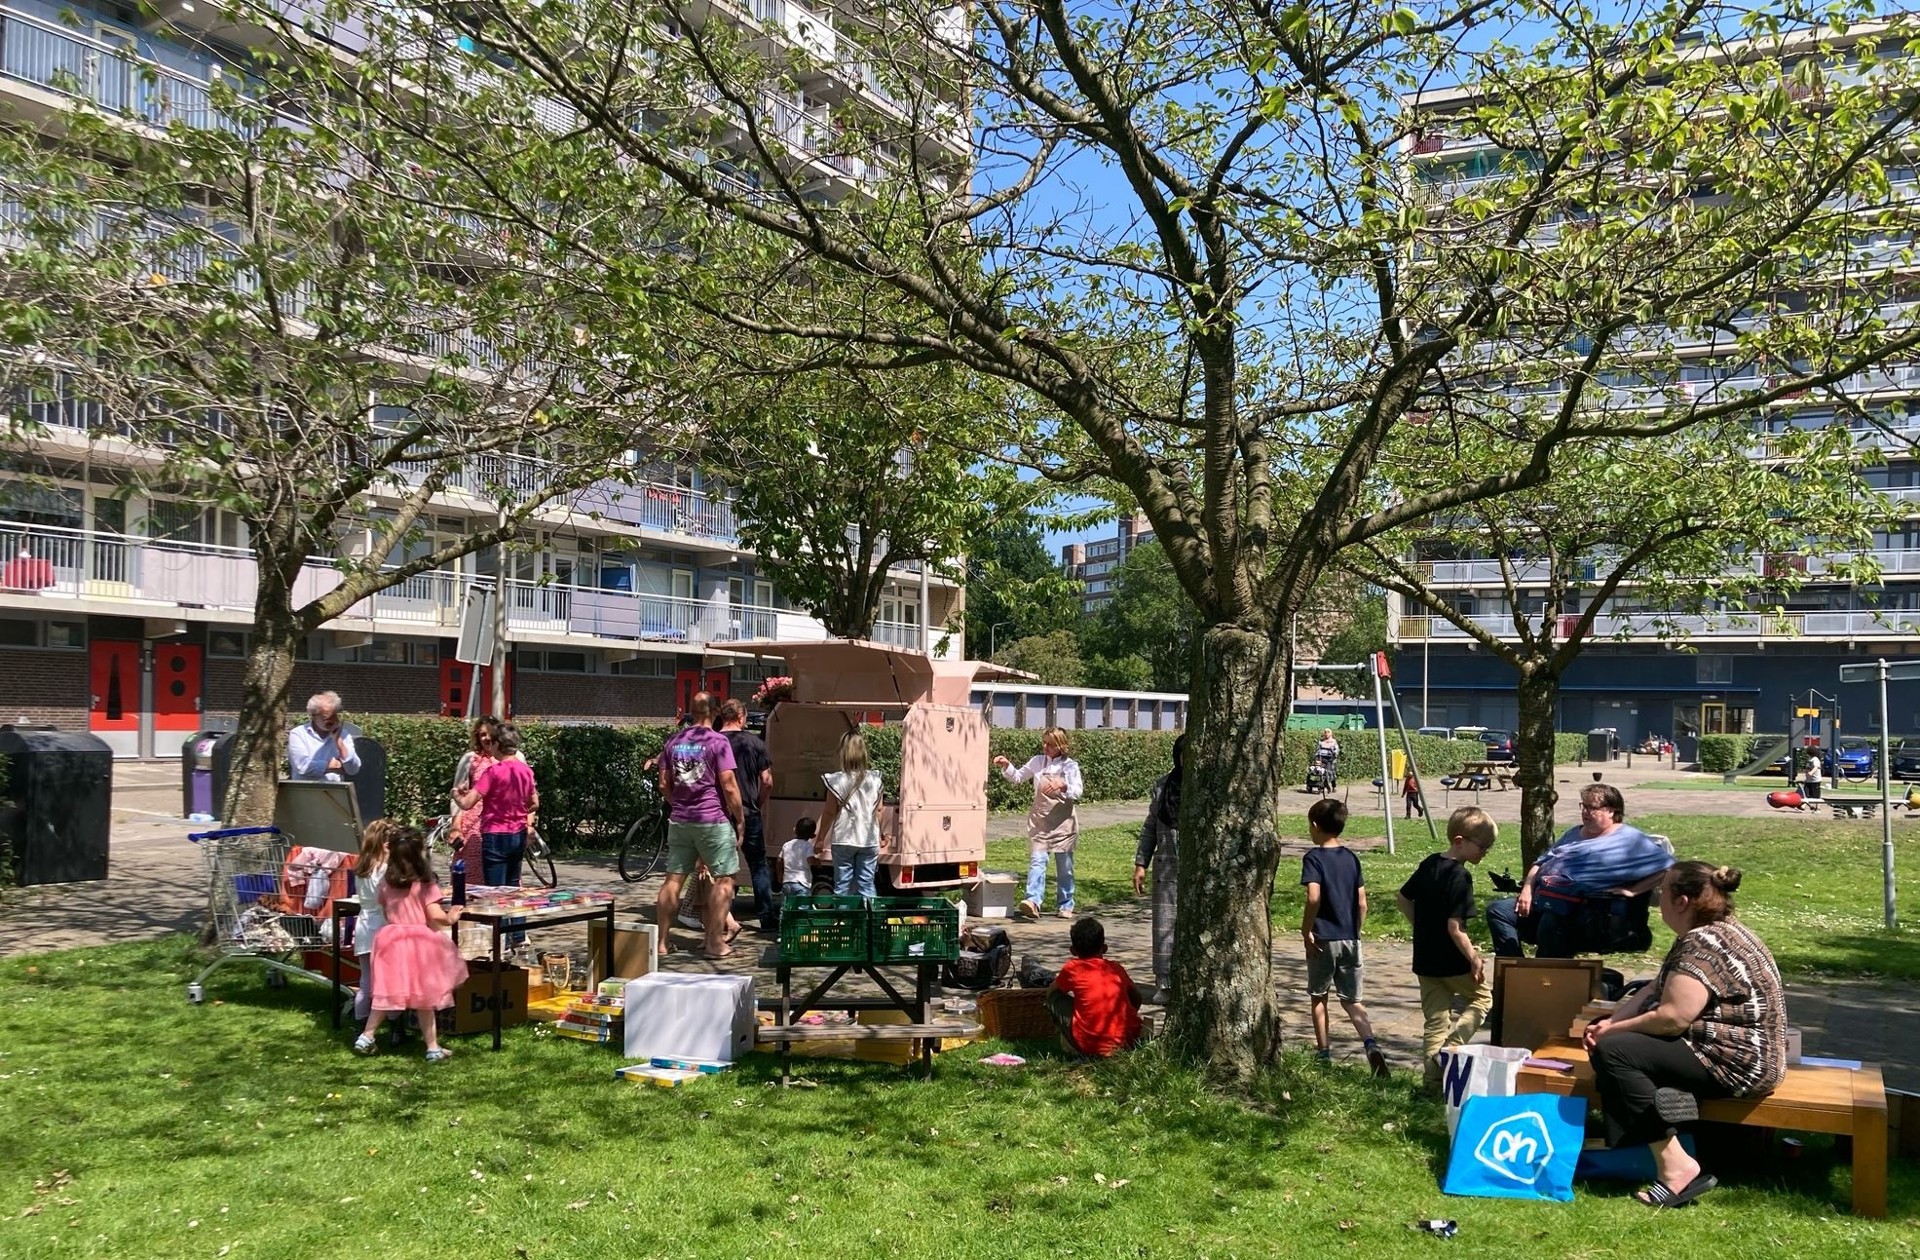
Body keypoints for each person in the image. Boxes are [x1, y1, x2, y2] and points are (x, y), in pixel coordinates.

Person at [1585, 862, 1786, 1209]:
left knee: (1615, 1052)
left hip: (1739, 1063)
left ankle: (1676, 1166)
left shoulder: (1701, 944)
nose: (1657, 897)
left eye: (1663, 890)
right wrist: (1611, 1020)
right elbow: (1654, 988)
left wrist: (1611, 1033)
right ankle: (1664, 1123)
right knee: (1616, 1043)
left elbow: (1673, 1018)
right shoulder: (1715, 931)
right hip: (1737, 1052)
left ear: (1682, 901)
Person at [1486, 783, 1669, 958]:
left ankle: (1547, 978)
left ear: (1612, 811)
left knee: (1551, 921)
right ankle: (1516, 968)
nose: (1585, 812)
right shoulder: (1574, 833)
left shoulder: (1629, 839)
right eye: (1583, 806)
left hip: (1589, 912)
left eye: (1592, 808)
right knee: (1499, 910)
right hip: (1546, 899)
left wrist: (1633, 891)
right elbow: (1540, 863)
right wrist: (1527, 889)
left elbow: (1670, 868)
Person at [1397, 806, 1497, 1090]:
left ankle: (1431, 1086)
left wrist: (1421, 927)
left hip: (1426, 959)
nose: (1484, 852)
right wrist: (1474, 958)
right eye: (1482, 847)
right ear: (1459, 841)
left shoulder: (1430, 863)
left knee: (1435, 1021)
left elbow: (1403, 899)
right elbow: (1456, 928)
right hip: (1452, 961)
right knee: (1482, 999)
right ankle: (1451, 1049)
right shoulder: (1460, 876)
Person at [354, 825, 468, 1062]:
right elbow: (435, 914)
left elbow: (385, 909)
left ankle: (367, 1035)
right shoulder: (425, 883)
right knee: (425, 999)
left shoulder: (386, 882)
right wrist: (451, 916)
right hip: (419, 943)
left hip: (390, 939)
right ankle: (432, 1048)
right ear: (420, 853)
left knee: (385, 995)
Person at [1300, 798, 1387, 1076]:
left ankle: (1324, 1053)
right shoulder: (1351, 857)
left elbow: (1314, 897)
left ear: (1315, 826)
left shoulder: (1313, 858)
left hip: (1323, 939)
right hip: (1351, 938)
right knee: (1352, 1000)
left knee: (1319, 997)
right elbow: (1362, 903)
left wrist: (1306, 931)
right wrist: (1355, 931)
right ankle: (1370, 1044)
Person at [656, 691, 746, 958]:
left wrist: (678, 804)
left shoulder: (673, 741)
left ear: (690, 711)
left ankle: (661, 943)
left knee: (673, 880)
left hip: (681, 821)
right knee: (725, 880)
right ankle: (715, 944)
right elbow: (729, 785)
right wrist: (740, 819)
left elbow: (663, 783)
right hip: (712, 820)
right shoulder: (718, 742)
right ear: (714, 711)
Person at [996, 727, 1084, 920]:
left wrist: (1064, 785)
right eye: (1044, 742)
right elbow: (1018, 777)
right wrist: (1007, 765)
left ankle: (1066, 904)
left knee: (1065, 867)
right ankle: (1033, 901)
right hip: (1040, 821)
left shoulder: (1070, 766)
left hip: (1064, 824)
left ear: (1061, 746)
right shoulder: (1037, 761)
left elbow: (1078, 791)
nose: (1046, 747)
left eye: (1050, 744)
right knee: (1038, 860)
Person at [1046, 917, 1147, 1058]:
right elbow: (1137, 998)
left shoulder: (1072, 968)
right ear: (1104, 948)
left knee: (1056, 998)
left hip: (1089, 1046)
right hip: (1127, 1042)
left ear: (1073, 951)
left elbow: (1051, 991)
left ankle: (1069, 1047)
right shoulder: (1116, 968)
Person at [453, 722, 537, 889]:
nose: (489, 747)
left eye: (492, 743)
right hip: (518, 834)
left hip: (495, 835)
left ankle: (498, 917)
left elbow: (467, 803)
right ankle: (517, 916)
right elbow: (534, 803)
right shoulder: (526, 770)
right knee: (513, 888)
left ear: (498, 744)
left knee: (495, 892)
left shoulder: (492, 772)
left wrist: (456, 794)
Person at [1133, 734, 1184, 1000]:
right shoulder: (1163, 786)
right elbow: (1150, 827)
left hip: (1195, 870)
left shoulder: (1206, 787)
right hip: (1166, 867)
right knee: (1164, 924)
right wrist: (1141, 862)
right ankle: (1164, 982)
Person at [718, 698, 776, 931]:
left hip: (718, 814)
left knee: (719, 867)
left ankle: (721, 918)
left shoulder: (714, 742)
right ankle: (767, 918)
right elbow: (767, 781)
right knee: (758, 866)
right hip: (749, 811)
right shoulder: (755, 743)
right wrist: (758, 803)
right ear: (742, 717)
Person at [818, 729, 883, 898]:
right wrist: (881, 835)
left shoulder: (836, 780)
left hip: (844, 838)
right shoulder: (875, 780)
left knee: (843, 885)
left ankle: (845, 920)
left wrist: (819, 839)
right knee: (866, 884)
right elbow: (879, 810)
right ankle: (868, 921)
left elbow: (829, 812)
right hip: (869, 839)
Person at [350, 818, 397, 1023]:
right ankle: (396, 1026)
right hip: (383, 926)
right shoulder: (386, 870)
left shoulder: (363, 866)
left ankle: (360, 1022)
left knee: (366, 980)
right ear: (386, 845)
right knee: (391, 980)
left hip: (364, 924)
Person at [448, 717, 502, 877]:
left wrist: (529, 825)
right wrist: (456, 826)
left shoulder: (513, 757)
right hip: (474, 824)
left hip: (502, 824)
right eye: (482, 734)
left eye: (490, 733)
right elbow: (457, 794)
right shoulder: (470, 759)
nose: (487, 738)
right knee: (470, 873)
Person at [288, 690, 360, 782]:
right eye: (327, 718)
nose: (333, 721)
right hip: (306, 791)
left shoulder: (343, 734)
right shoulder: (298, 734)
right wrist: (335, 765)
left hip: (334, 792)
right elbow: (303, 767)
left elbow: (353, 769)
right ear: (313, 715)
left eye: (335, 716)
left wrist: (339, 742)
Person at [779, 816, 819, 900]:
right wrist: (817, 862)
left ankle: (784, 914)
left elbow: (779, 860)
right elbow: (810, 860)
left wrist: (780, 875)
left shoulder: (787, 844)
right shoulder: (808, 846)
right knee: (802, 909)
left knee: (786, 907)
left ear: (795, 830)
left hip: (787, 882)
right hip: (802, 883)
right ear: (812, 835)